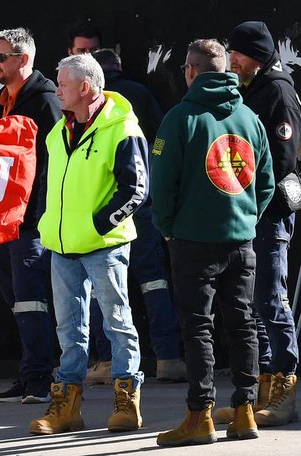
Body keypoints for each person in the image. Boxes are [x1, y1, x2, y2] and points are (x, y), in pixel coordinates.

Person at [152, 39, 275, 446]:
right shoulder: (249, 118)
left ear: (190, 69)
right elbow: (266, 183)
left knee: (198, 329)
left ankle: (199, 415)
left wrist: (167, 227)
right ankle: (244, 413)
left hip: (192, 241)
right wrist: (245, 220)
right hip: (241, 242)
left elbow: (162, 183)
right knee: (243, 326)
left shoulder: (179, 118)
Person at [31, 53, 148, 435]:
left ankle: (127, 401)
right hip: (62, 246)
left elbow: (137, 190)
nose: (56, 89)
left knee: (117, 323)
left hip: (105, 245)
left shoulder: (123, 128)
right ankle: (67, 408)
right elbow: (50, 183)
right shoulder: (58, 131)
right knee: (69, 329)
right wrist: (47, 222)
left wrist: (99, 225)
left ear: (84, 87)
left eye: (62, 84)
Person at [212, 21, 301, 428]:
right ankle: (263, 390)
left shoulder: (277, 91)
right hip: (251, 212)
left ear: (258, 55)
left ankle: (286, 384)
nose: (232, 61)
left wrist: (246, 193)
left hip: (269, 212)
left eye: (238, 54)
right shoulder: (250, 88)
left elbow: (281, 161)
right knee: (252, 302)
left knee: (271, 298)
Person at [82, 49, 186, 384]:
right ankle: (168, 357)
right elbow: (161, 138)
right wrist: (150, 160)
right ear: (120, 67)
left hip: (101, 208)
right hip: (141, 203)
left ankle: (107, 361)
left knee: (102, 288)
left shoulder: (85, 103)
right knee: (153, 280)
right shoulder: (139, 93)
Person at [0, 28, 58, 404]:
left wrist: (39, 214)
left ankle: (40, 380)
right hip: (2, 222)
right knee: (18, 301)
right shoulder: (3, 100)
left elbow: (51, 164)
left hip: (29, 223)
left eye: (0, 57)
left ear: (22, 59)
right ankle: (29, 372)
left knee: (32, 301)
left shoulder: (44, 101)